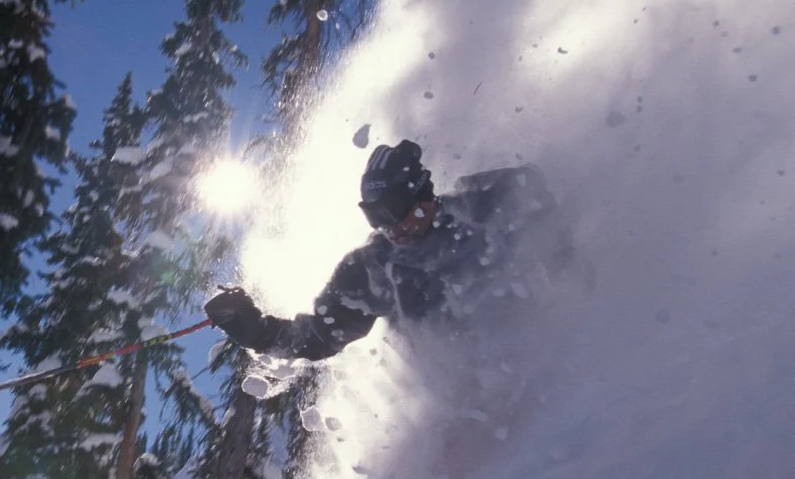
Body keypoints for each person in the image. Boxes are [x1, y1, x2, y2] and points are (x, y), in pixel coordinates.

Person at [204, 140, 575, 360]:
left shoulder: (477, 208)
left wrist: (563, 261)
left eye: (392, 210)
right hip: (469, 385)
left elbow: (531, 186)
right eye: (373, 215)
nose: (387, 226)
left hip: (539, 345)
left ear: (420, 196)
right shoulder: (372, 269)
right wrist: (252, 329)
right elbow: (317, 336)